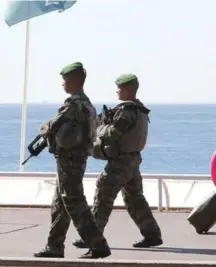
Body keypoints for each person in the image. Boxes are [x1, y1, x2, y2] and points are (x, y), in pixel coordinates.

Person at [72, 74, 163, 249]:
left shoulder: (126, 112)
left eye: (119, 88)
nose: (117, 91)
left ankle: (92, 237)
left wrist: (99, 127)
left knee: (103, 194)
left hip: (121, 161)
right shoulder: (139, 108)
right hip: (133, 160)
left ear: (127, 89)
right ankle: (152, 235)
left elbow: (112, 133)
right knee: (135, 199)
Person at [34, 62, 111, 259]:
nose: (63, 83)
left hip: (69, 160)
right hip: (76, 159)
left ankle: (98, 244)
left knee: (74, 202)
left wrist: (43, 128)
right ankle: (54, 246)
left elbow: (52, 126)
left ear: (75, 80)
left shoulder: (73, 105)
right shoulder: (88, 106)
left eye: (65, 79)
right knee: (60, 204)